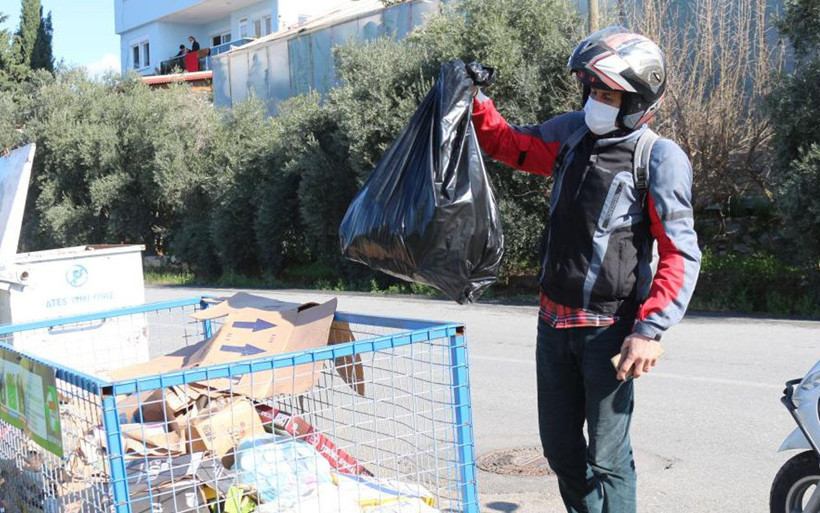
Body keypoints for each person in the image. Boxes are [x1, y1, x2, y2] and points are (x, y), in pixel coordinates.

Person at [469, 27, 701, 513]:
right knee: (558, 449)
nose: (596, 101)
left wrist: (650, 329)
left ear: (637, 100)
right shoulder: (572, 134)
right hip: (552, 325)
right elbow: (510, 144)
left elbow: (680, 252)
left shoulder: (658, 157)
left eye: (608, 94)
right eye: (592, 90)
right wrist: (474, 100)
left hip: (609, 332)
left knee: (609, 458)